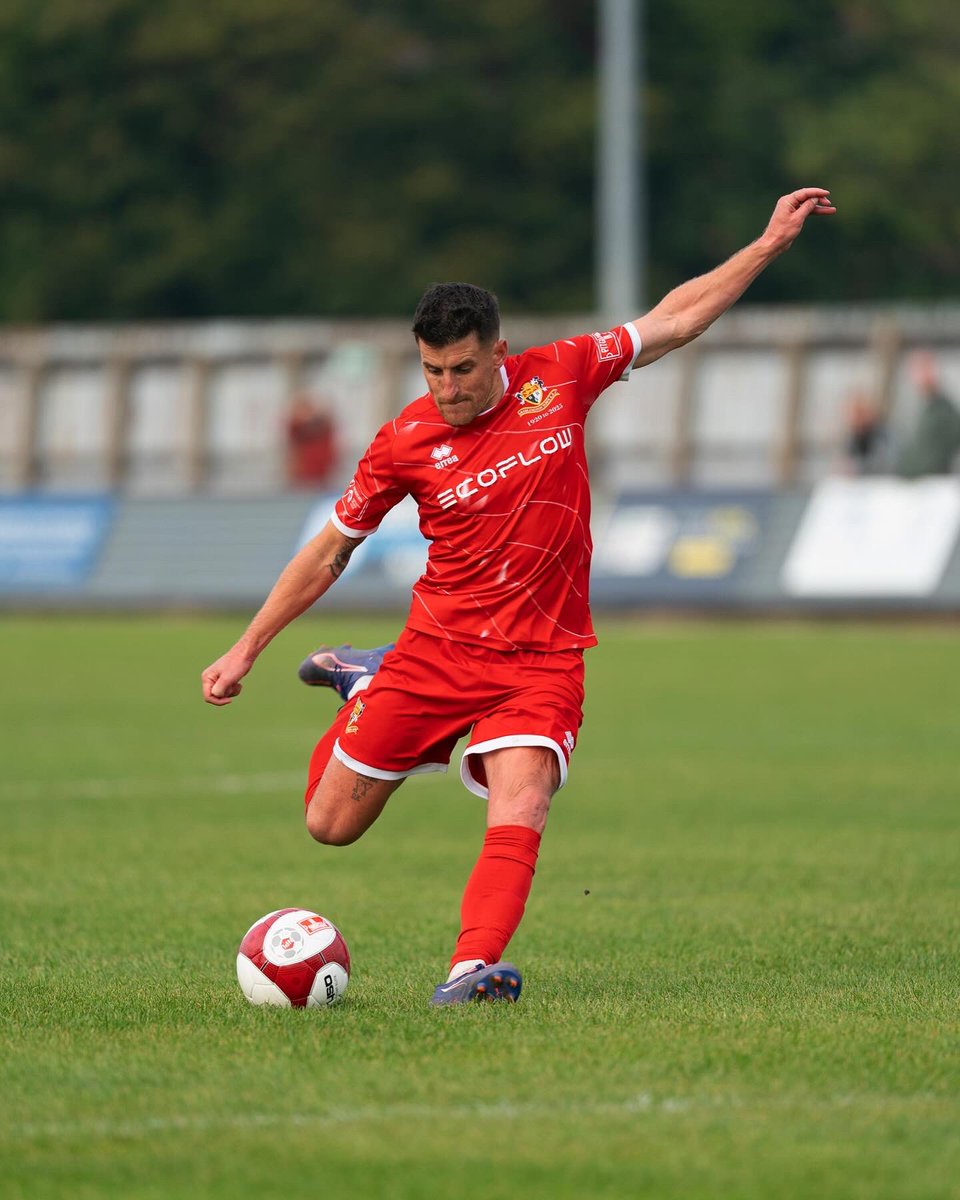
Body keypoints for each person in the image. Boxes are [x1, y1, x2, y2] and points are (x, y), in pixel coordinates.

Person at [202, 187, 836, 1006]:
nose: (449, 388)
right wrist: (245, 646)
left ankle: (471, 970)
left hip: (541, 658)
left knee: (524, 793)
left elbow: (673, 320)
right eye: (433, 371)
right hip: (436, 651)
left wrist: (766, 245)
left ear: (500, 351)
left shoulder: (562, 376)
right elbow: (331, 549)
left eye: (463, 368)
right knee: (330, 826)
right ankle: (365, 681)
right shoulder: (404, 441)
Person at [893, 350, 960, 478]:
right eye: (916, 371)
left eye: (924, 369)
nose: (919, 376)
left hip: (933, 483)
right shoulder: (923, 408)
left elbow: (937, 454)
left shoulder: (944, 410)